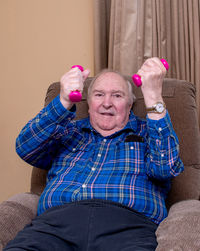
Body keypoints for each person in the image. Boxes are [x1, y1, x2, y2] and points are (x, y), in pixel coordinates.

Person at [4, 57, 184, 251]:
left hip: (129, 229)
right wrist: (64, 100)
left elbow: (166, 168)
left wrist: (154, 97)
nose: (107, 103)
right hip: (53, 228)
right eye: (99, 95)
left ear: (130, 104)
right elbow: (25, 147)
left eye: (117, 95)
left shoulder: (149, 132)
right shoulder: (67, 131)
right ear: (88, 103)